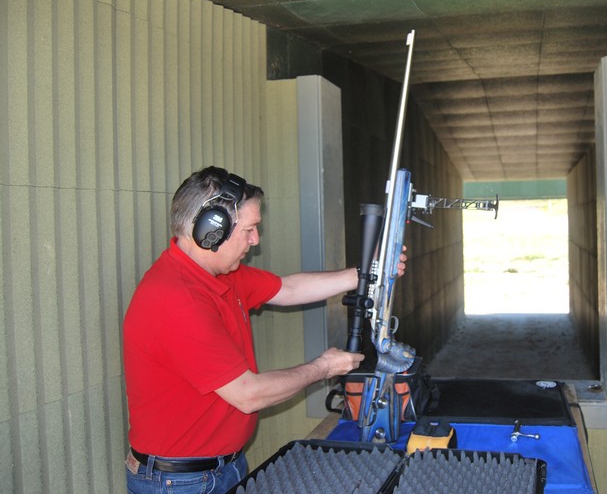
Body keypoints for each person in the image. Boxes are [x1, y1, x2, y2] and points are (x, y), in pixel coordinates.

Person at [123, 166, 403, 493]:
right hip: (179, 482)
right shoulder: (178, 300)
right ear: (212, 229)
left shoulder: (219, 272)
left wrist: (368, 273)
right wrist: (323, 367)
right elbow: (249, 394)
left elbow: (288, 289)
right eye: (250, 229)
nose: (256, 240)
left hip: (219, 467)